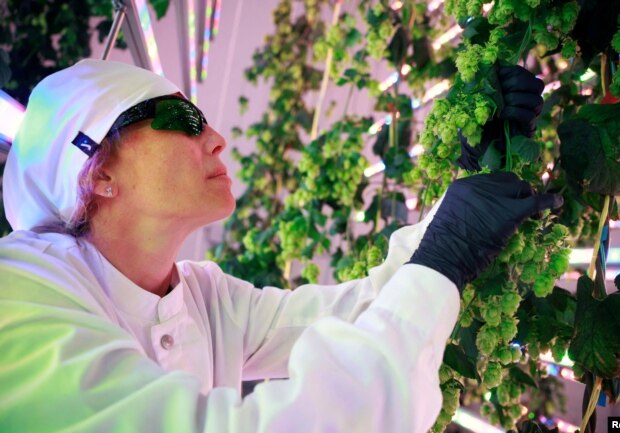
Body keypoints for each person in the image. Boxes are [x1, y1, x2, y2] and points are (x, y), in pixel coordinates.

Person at [0, 59, 557, 432]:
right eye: (182, 118)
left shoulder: (203, 295)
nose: (216, 138)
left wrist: (459, 194)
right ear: (96, 172)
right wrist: (447, 252)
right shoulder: (16, 294)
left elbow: (360, 309)